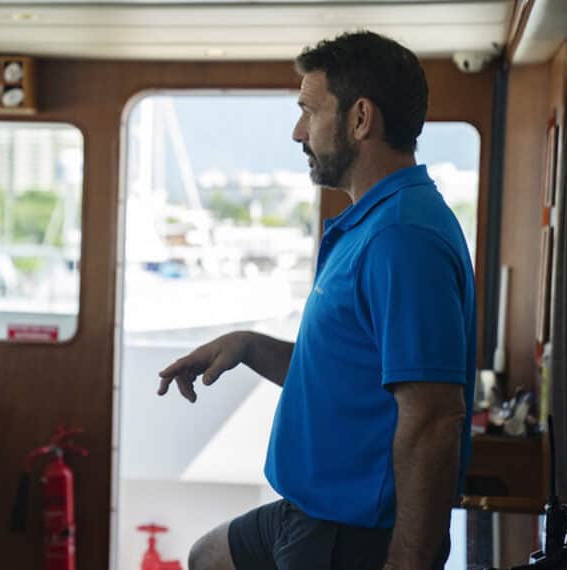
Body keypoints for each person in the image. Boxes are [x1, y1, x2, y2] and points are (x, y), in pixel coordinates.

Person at [158, 31, 475, 570]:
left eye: (309, 110)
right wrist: (247, 345)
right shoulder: (371, 223)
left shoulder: (401, 239)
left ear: (359, 119)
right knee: (207, 557)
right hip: (307, 512)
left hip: (350, 536)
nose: (298, 132)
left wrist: (407, 562)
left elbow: (432, 418)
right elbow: (349, 375)